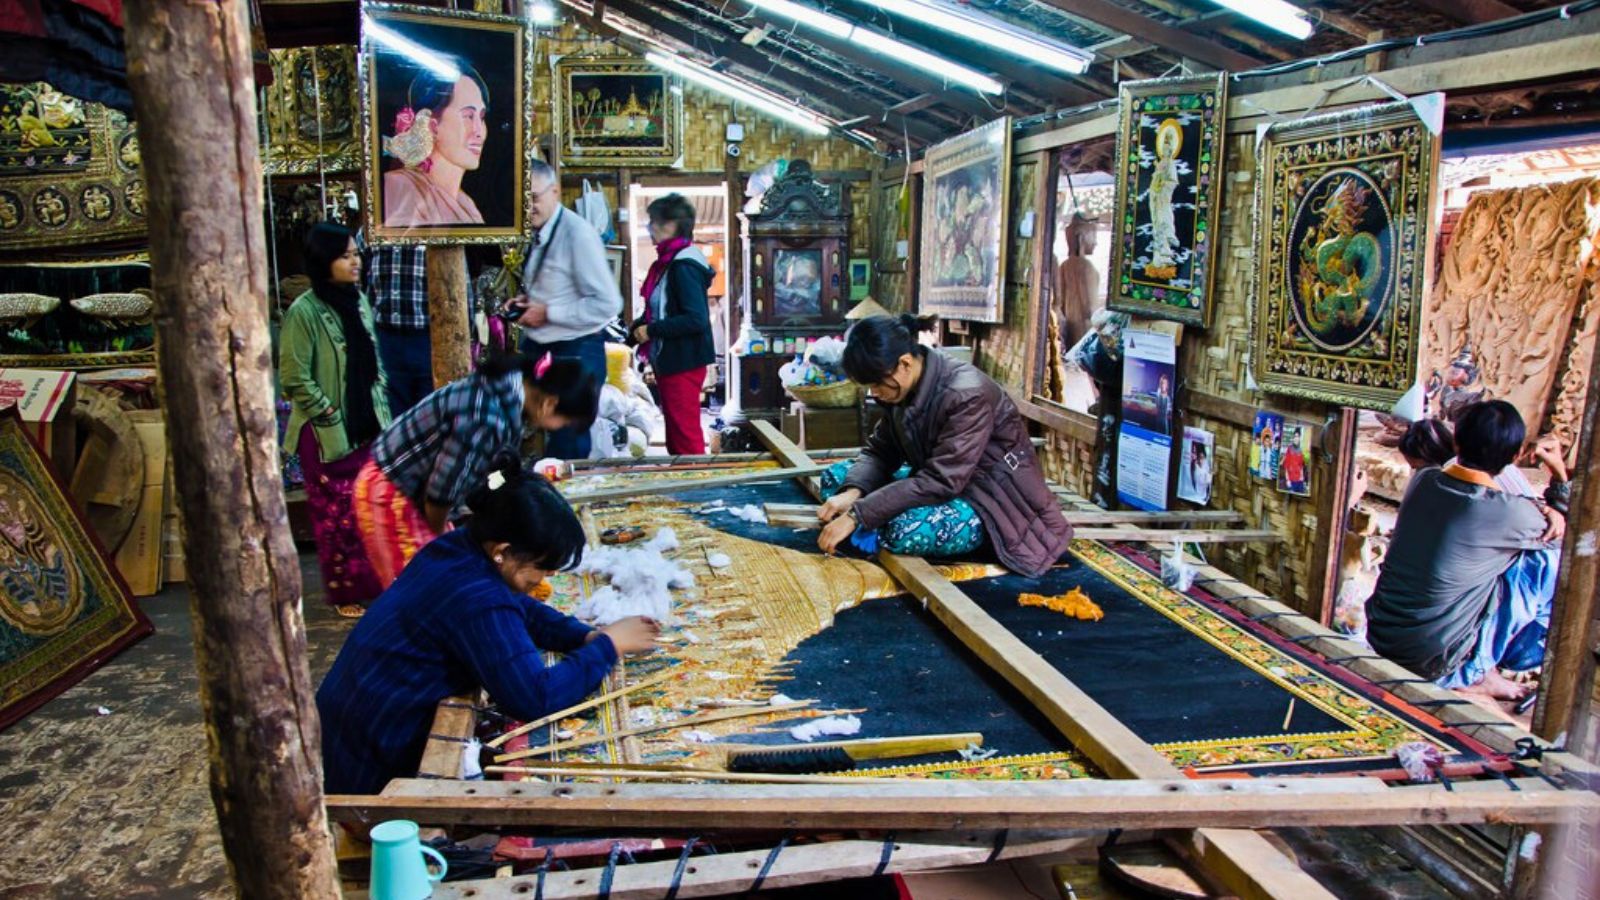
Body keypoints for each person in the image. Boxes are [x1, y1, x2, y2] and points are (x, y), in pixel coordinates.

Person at [319, 454, 660, 795]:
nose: (544, 579)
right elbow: (535, 697)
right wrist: (608, 646)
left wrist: (584, 635)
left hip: (342, 735)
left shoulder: (457, 547)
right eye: (541, 568)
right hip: (367, 771)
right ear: (503, 551)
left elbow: (519, 608)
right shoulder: (477, 596)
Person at [815, 314, 1072, 577]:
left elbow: (941, 481)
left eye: (877, 385)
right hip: (936, 481)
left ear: (904, 363)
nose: (875, 393)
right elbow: (880, 451)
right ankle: (869, 519)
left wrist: (858, 515)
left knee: (904, 530)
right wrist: (854, 493)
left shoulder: (967, 395)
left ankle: (880, 525)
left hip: (990, 501)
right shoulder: (902, 389)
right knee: (836, 479)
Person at [1366, 401, 1567, 701]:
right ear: (1514, 457)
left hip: (1382, 636)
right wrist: (1560, 476)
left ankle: (1484, 669)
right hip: (1434, 662)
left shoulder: (1422, 480)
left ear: (1456, 441)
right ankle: (1485, 667)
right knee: (1544, 560)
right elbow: (1567, 534)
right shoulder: (1512, 515)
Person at [354, 351, 600, 588]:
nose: (559, 428)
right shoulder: (487, 419)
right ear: (549, 403)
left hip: (418, 493)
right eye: (565, 422)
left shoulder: (507, 389)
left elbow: (482, 475)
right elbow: (440, 496)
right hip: (391, 494)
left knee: (440, 578)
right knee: (421, 589)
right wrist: (440, 540)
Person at [279, 222, 392, 616]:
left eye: (355, 254)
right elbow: (293, 377)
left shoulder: (358, 299)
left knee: (371, 506)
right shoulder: (303, 312)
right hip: (328, 433)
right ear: (324, 261)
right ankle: (345, 592)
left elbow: (372, 357)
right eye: (345, 256)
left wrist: (379, 398)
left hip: (367, 423)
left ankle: (377, 582)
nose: (355, 262)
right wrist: (326, 409)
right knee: (338, 517)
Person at [507, 159, 623, 459]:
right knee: (542, 430)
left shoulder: (577, 234)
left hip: (576, 349)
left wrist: (548, 313)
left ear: (555, 191)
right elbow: (555, 287)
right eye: (521, 198)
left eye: (534, 198)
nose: (528, 206)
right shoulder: (539, 232)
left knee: (568, 439)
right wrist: (526, 305)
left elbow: (609, 303)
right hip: (543, 346)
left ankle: (567, 503)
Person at [630, 193, 715, 454]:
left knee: (685, 436)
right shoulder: (669, 263)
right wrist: (632, 333)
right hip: (673, 360)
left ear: (669, 225)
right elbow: (659, 310)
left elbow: (695, 319)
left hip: (683, 361)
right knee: (677, 433)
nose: (649, 228)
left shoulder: (683, 265)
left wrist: (651, 330)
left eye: (652, 222)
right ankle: (686, 487)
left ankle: (697, 490)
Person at [382, 64, 489, 227]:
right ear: (432, 126)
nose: (479, 131)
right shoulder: (403, 186)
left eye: (481, 117)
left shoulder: (466, 204)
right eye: (468, 116)